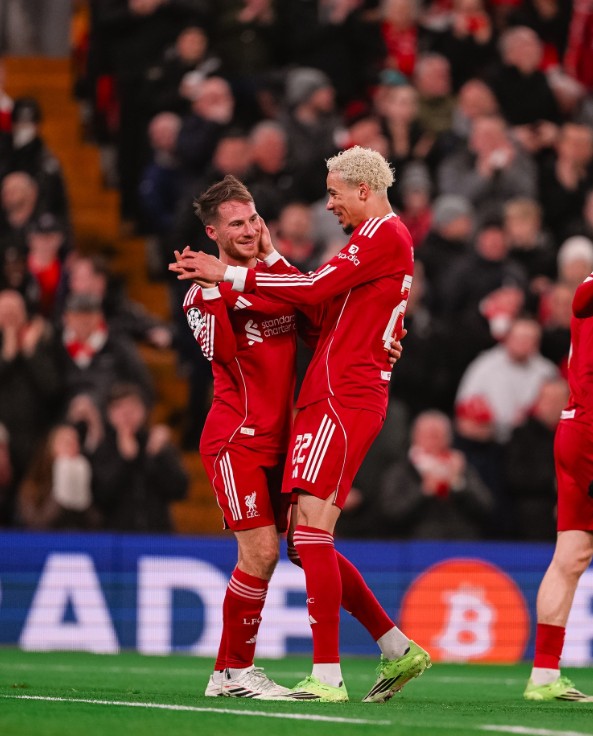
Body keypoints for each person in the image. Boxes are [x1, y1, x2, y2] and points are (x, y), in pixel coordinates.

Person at [171, 146, 431, 704]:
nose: (249, 229)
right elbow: (221, 350)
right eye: (236, 224)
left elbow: (316, 313)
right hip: (237, 439)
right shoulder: (202, 291)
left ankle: (371, 653)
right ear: (213, 233)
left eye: (253, 219)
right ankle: (234, 670)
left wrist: (375, 333)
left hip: (302, 423)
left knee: (303, 543)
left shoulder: (284, 269)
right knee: (269, 551)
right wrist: (222, 284)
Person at [523, 271, 593, 702]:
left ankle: (544, 675)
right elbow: (582, 297)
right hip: (589, 431)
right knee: (569, 556)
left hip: (576, 427)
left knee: (571, 555)